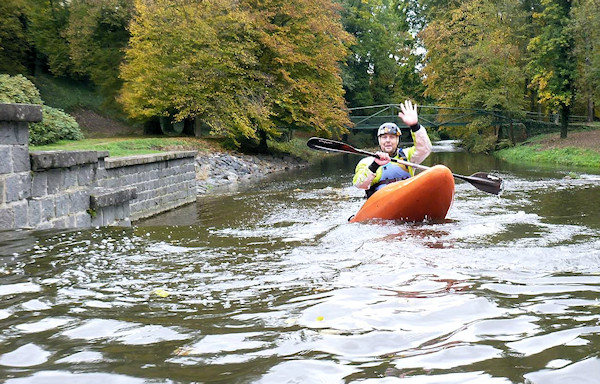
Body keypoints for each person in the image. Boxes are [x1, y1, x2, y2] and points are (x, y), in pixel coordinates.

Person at [353, 100, 432, 198]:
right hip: (380, 204)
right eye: (384, 137)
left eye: (392, 137)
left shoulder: (408, 156)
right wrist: (374, 165)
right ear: (379, 140)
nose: (388, 141)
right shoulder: (367, 162)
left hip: (406, 199)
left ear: (398, 140)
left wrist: (415, 126)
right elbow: (359, 184)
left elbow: (425, 148)